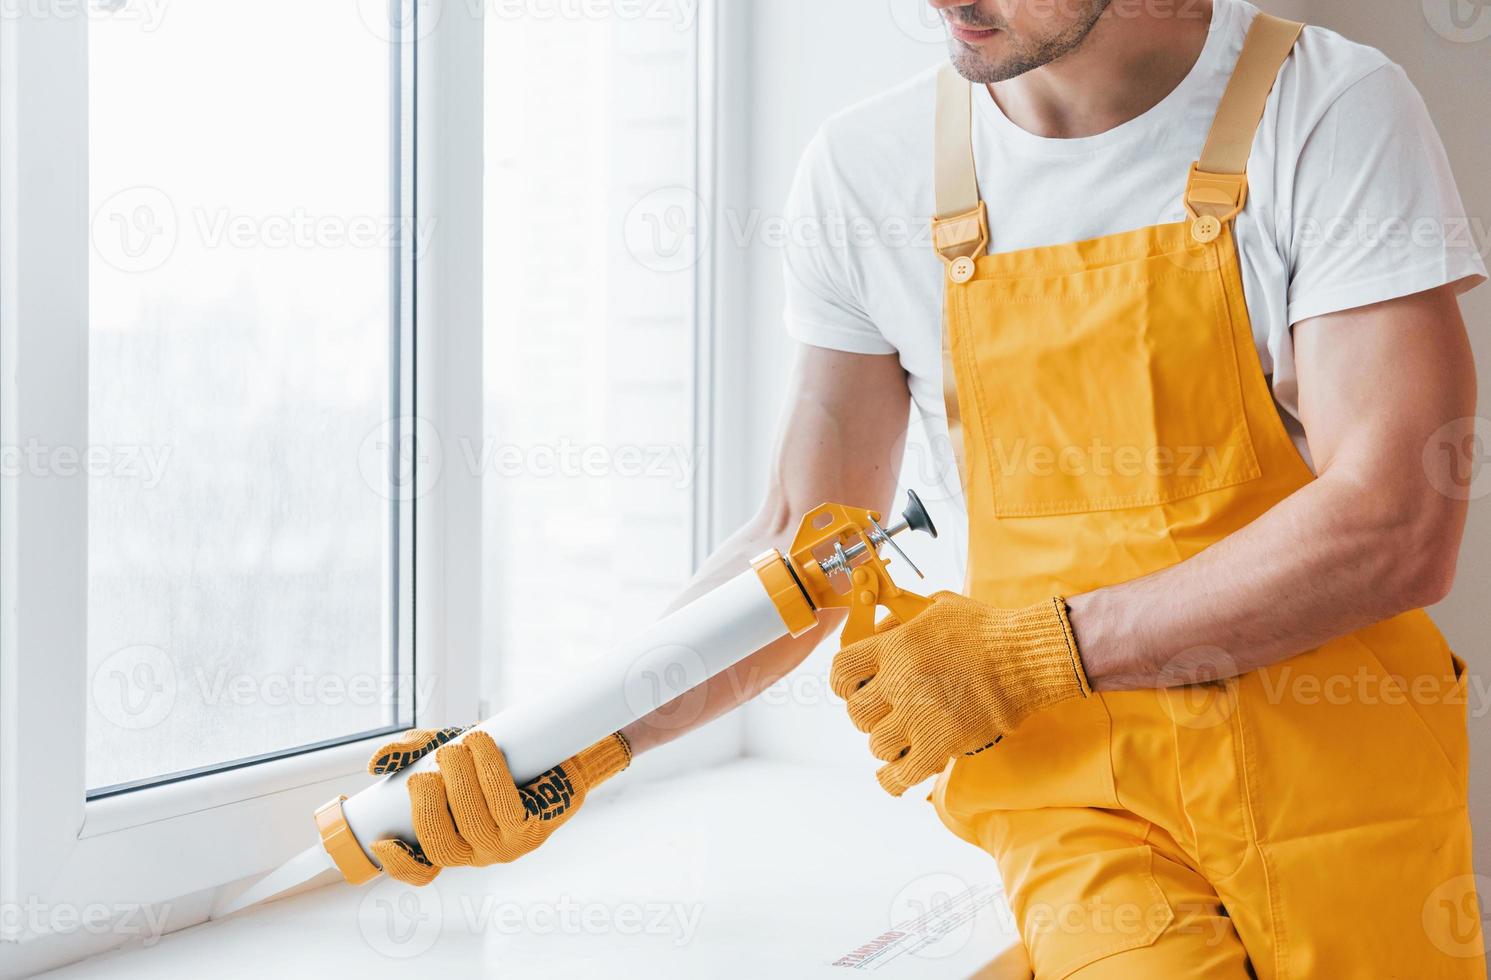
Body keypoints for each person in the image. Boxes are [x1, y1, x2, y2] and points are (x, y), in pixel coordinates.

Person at [364, 1, 1486, 975]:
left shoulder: (1327, 111)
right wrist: (567, 743)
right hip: (1078, 803)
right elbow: (804, 545)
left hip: (1341, 787)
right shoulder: (870, 172)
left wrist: (1038, 649)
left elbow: (1395, 522)